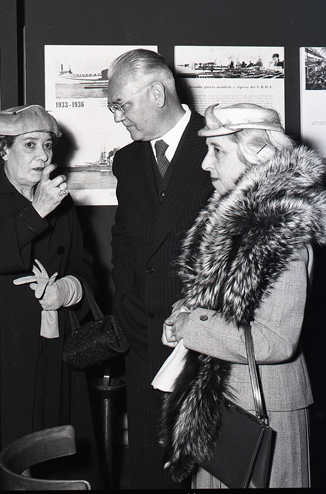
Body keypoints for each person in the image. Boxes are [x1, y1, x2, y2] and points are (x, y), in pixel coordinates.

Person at [160, 102, 326, 488]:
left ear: (258, 156)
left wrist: (194, 325)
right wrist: (185, 312)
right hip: (219, 405)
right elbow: (220, 301)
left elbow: (275, 339)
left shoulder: (280, 232)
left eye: (217, 151)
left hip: (263, 411)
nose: (205, 163)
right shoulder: (232, 219)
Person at [0, 104, 101, 490]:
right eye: (29, 144)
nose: (42, 155)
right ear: (3, 149)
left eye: (47, 145)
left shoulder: (60, 198)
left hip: (54, 335)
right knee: (2, 439)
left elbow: (82, 260)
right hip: (0, 338)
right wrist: (37, 210)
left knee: (56, 436)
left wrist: (68, 289)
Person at [107, 48, 213, 489]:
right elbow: (124, 238)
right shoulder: (128, 160)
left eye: (121, 105)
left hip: (203, 339)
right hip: (142, 334)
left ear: (156, 93)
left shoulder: (218, 146)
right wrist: (126, 302)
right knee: (151, 468)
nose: (118, 118)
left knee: (204, 465)